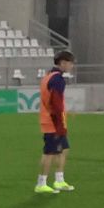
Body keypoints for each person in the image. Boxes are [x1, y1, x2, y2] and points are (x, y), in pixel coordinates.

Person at [35, 50, 75, 194]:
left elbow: (52, 101)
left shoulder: (48, 76)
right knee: (49, 152)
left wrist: (64, 113)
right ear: (63, 63)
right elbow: (56, 103)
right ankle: (41, 183)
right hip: (53, 122)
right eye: (70, 63)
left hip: (51, 120)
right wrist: (60, 124)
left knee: (63, 149)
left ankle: (59, 180)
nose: (71, 66)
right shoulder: (57, 79)